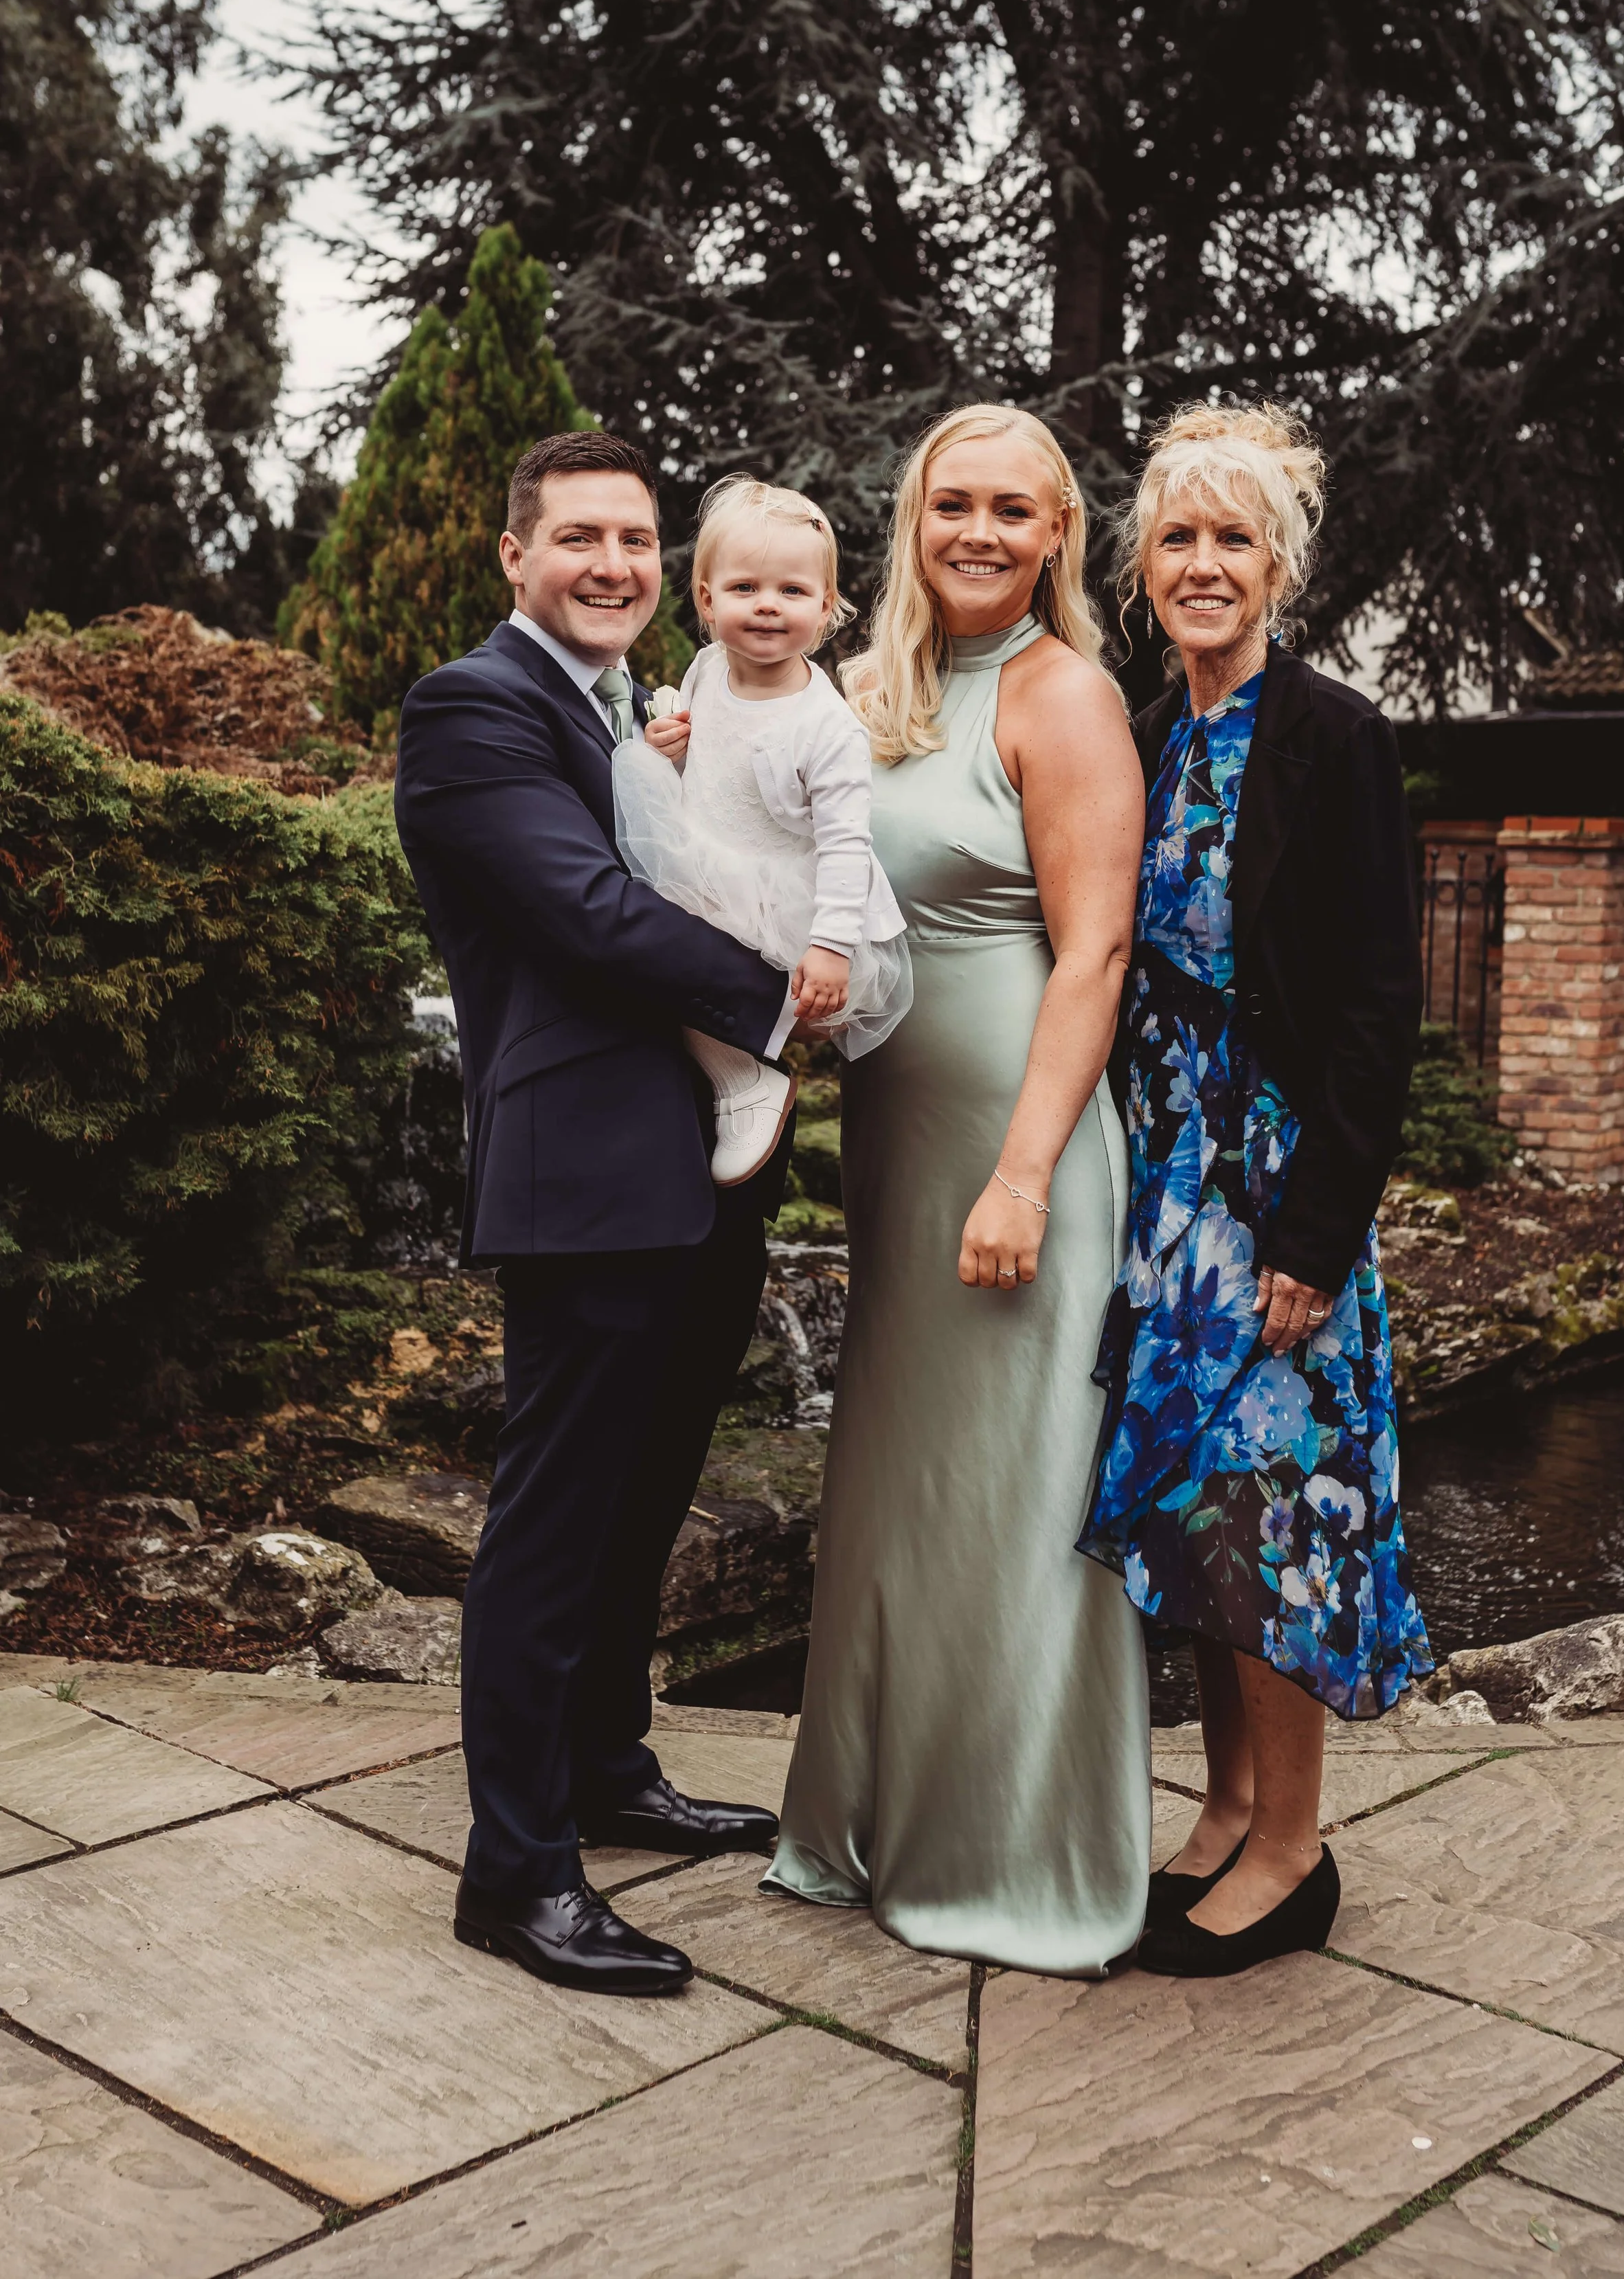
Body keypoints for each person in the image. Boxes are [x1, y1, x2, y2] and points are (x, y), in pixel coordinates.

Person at [392, 430, 804, 1997]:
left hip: (700, 1163)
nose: (615, 565)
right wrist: (788, 998)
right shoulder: (475, 708)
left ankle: (609, 1764)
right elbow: (586, 909)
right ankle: (517, 1870)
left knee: (646, 1493)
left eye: (637, 540)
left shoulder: (634, 708)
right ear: (517, 555)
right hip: (584, 1163)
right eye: (580, 539)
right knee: (557, 1516)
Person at [765, 404, 1154, 1977]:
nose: (981, 532)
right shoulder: (875, 693)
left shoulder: (1066, 697)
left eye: (1013, 508)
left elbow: (1097, 950)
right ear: (911, 523)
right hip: (897, 1148)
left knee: (1010, 1496)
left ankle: (1009, 1851)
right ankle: (866, 1818)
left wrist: (1022, 1172)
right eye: (952, 506)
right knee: (904, 1495)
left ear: (1055, 533)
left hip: (1019, 1147)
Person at [1078, 403, 1432, 1979]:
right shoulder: (1141, 738)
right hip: (1161, 1187)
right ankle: (1222, 1804)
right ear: (1142, 564)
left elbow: (1375, 1007)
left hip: (1275, 1188)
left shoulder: (1334, 736)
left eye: (1233, 537)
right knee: (1197, 1512)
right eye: (1178, 537)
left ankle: (1294, 1845)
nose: (1204, 563)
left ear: (1276, 562)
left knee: (1270, 1508)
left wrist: (1315, 1231)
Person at [611, 473, 912, 1183]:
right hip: (704, 857)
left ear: (827, 607)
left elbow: (846, 843)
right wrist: (671, 751)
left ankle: (743, 1082)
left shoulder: (825, 725)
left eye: (793, 592)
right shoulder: (709, 668)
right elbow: (711, 767)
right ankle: (737, 1077)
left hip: (783, 899)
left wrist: (832, 947)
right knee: (640, 947)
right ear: (709, 603)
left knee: (667, 964)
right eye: (745, 589)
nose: (769, 607)